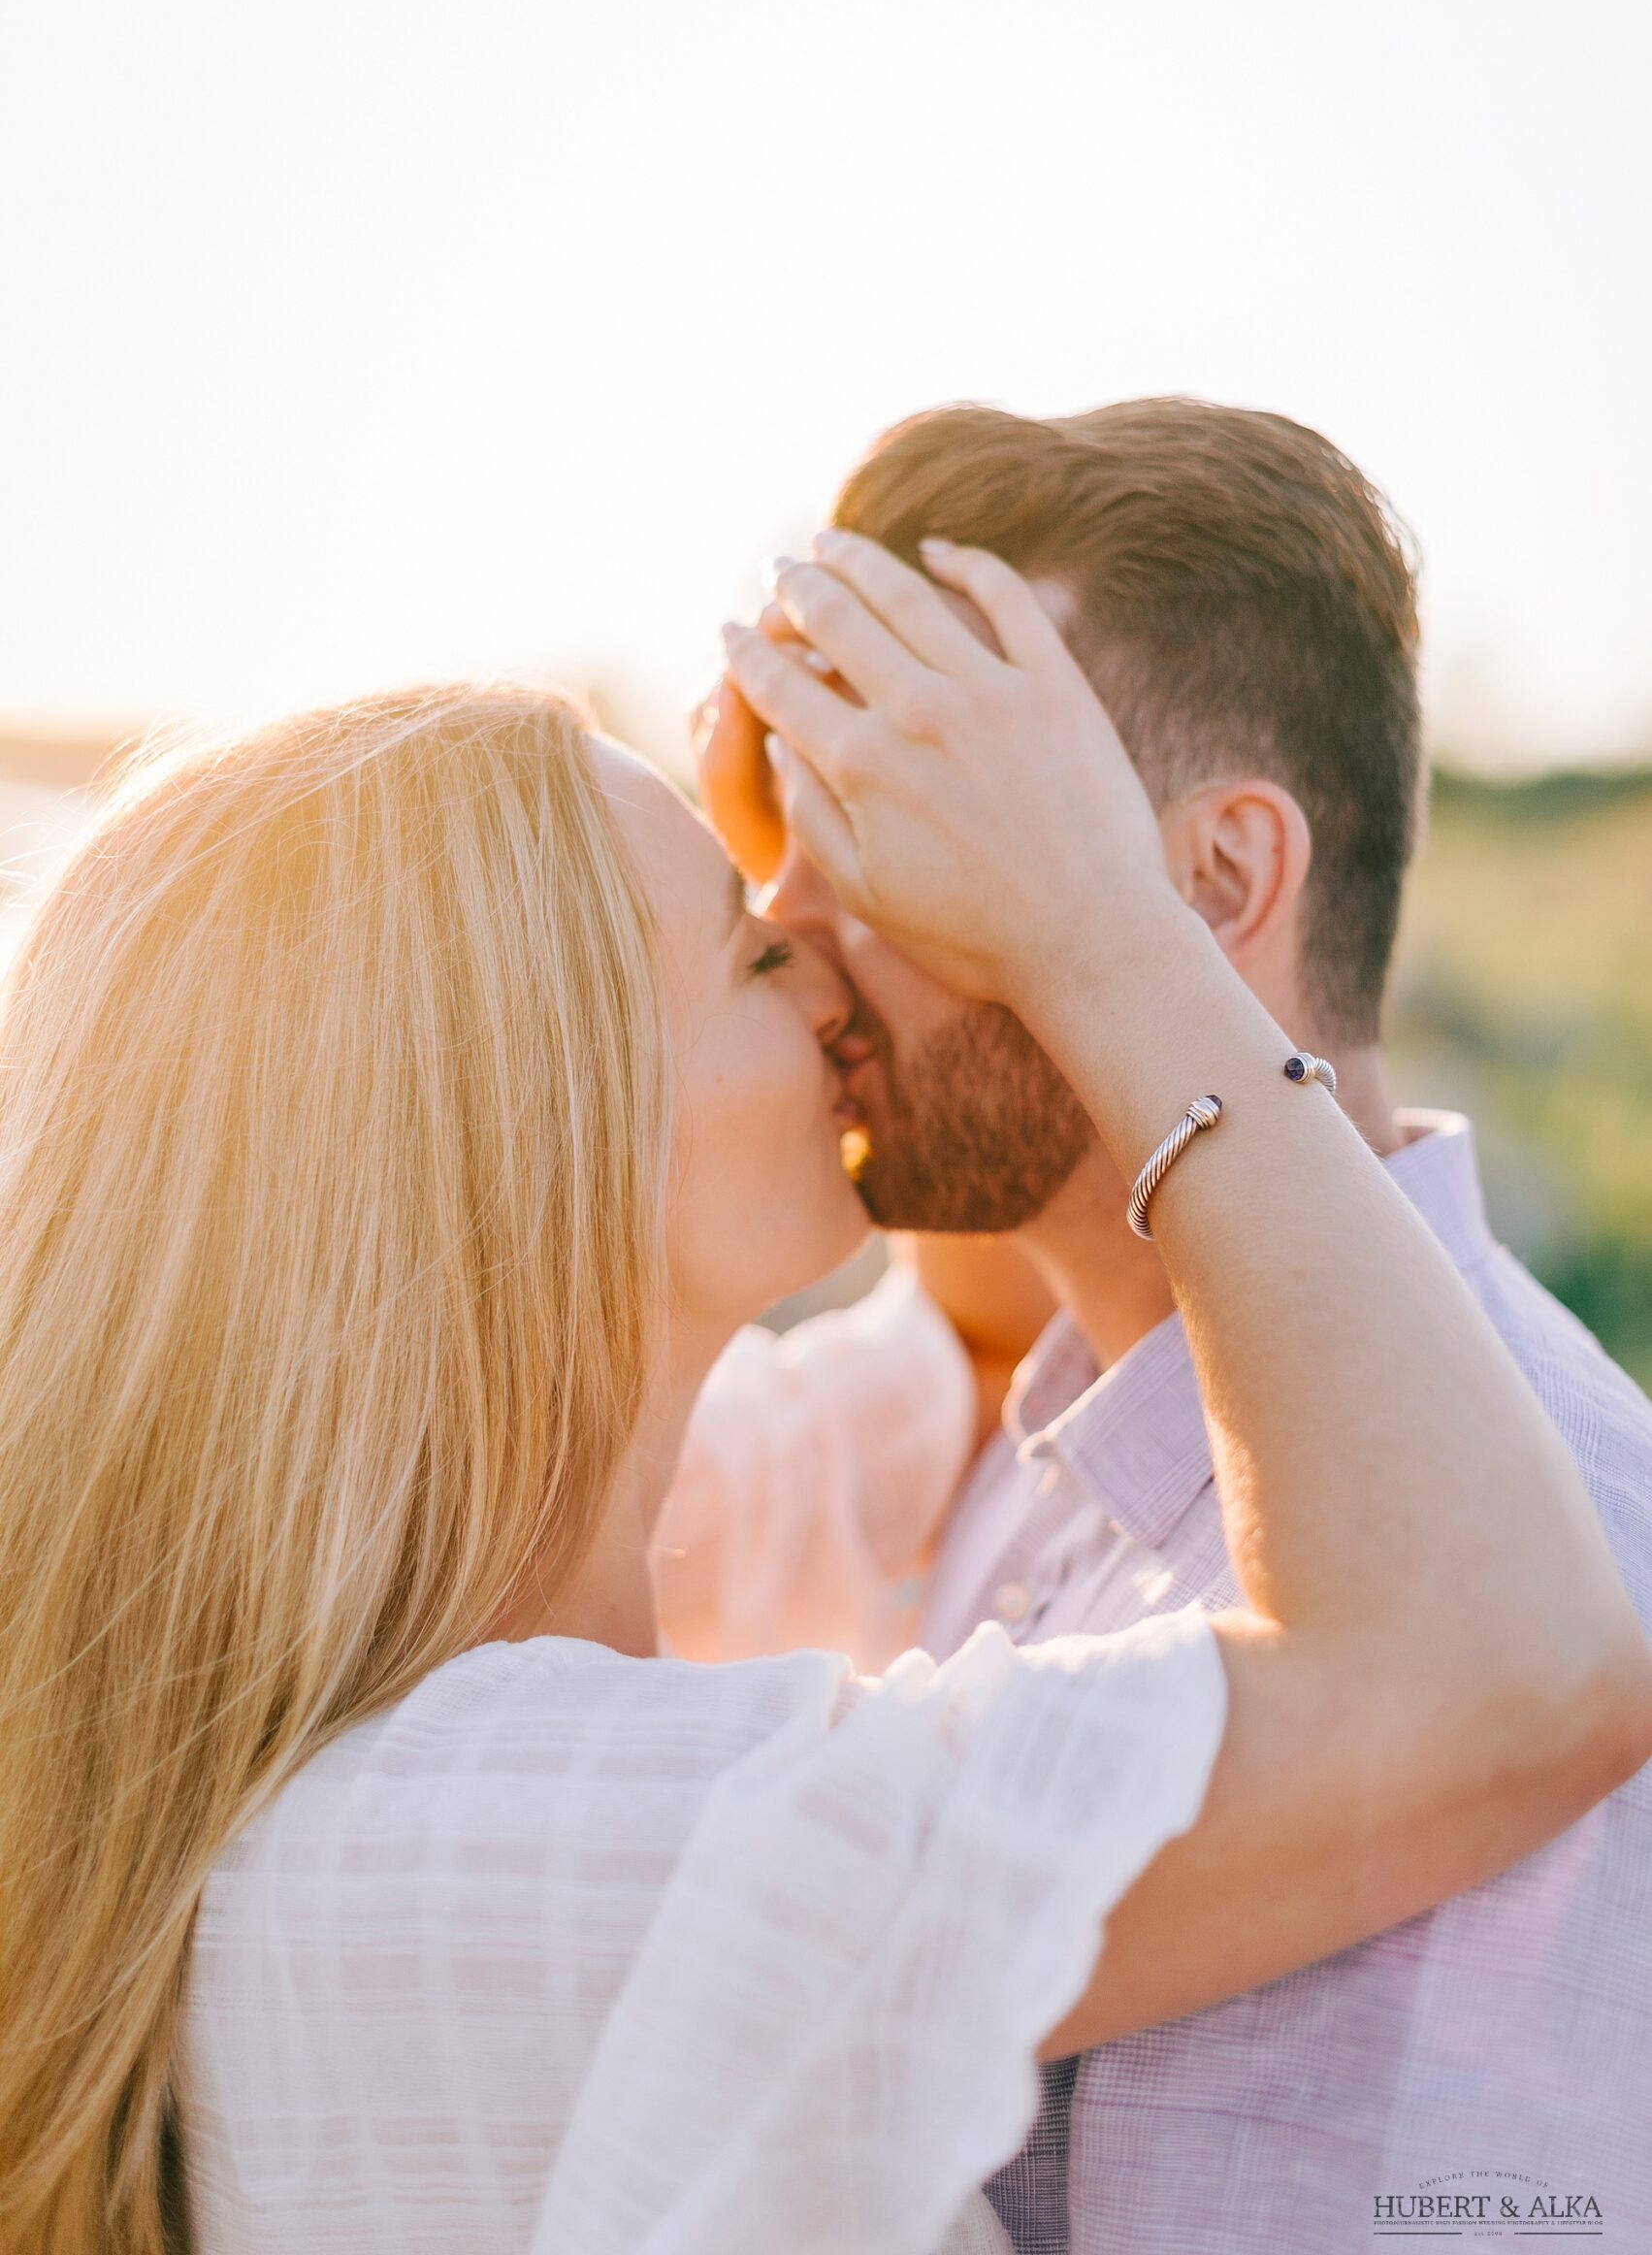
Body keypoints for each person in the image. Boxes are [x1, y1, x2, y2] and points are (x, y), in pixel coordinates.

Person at [0, 650, 1646, 2255]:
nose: (828, 973)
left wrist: (850, 892)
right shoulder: (499, 1854)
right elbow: (1500, 1669)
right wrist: (1101, 921)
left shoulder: (488, 1590)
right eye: (753, 955)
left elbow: (968, 1359)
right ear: (557, 1130)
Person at [703, 398, 1652, 2252]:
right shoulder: (1047, 1440)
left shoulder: (1554, 1576)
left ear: (1216, 882)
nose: (792, 926)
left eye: (908, 821)